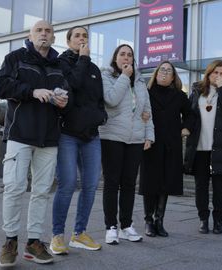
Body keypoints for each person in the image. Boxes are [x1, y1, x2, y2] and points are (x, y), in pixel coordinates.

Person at [0, 20, 69, 267]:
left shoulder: (59, 65)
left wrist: (63, 100)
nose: (43, 34)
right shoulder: (16, 58)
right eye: (39, 30)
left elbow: (67, 92)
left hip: (49, 138)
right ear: (31, 35)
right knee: (14, 188)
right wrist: (32, 91)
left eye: (48, 31)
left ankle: (34, 242)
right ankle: (11, 241)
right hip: (20, 134)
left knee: (42, 191)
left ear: (53, 37)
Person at [50, 26, 107, 255]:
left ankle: (79, 233)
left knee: (91, 185)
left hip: (91, 135)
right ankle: (57, 236)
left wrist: (101, 116)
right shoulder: (61, 63)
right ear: (68, 40)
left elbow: (98, 98)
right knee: (67, 184)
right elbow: (71, 84)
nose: (82, 39)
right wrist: (82, 59)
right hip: (67, 134)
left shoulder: (94, 68)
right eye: (77, 36)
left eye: (85, 36)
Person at [100, 44, 154, 245]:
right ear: (115, 58)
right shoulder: (107, 76)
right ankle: (110, 226)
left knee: (130, 183)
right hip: (112, 136)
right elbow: (111, 100)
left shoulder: (140, 81)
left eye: (130, 55)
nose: (126, 58)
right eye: (122, 54)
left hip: (136, 138)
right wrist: (124, 76)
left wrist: (149, 135)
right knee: (112, 182)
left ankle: (126, 225)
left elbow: (147, 111)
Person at [183, 59, 222, 234]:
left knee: (219, 187)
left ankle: (218, 220)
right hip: (199, 147)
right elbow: (189, 114)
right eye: (215, 72)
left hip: (220, 147)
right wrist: (185, 126)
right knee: (200, 186)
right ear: (208, 74)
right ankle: (203, 219)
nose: (218, 76)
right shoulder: (197, 91)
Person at [139, 61, 190, 237]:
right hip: (150, 143)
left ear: (173, 76)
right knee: (150, 183)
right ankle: (148, 221)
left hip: (171, 144)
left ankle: (159, 220)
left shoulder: (180, 96)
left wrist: (185, 128)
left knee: (165, 183)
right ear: (156, 73)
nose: (165, 73)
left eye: (169, 71)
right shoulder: (146, 92)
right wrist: (141, 116)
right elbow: (134, 110)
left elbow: (191, 115)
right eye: (162, 69)